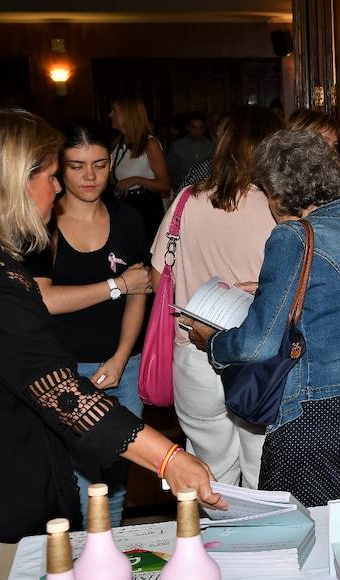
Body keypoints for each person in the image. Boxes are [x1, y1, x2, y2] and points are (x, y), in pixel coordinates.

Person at [0, 108, 224, 580]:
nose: (60, 188)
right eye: (50, 176)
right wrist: (171, 459)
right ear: (15, 183)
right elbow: (66, 397)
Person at [186, 129, 340, 506]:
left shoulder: (293, 236)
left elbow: (259, 342)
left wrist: (212, 342)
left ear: (277, 192)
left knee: (301, 526)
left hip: (317, 410)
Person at [25, 119, 152, 526]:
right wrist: (116, 284)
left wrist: (119, 357)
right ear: (58, 169)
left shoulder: (129, 218)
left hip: (123, 367)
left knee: (115, 479)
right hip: (60, 370)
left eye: (99, 164)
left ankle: (107, 561)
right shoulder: (42, 223)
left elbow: (140, 293)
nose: (90, 176)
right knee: (76, 482)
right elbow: (43, 300)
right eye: (77, 165)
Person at [151, 105, 284, 489]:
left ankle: (210, 548)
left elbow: (160, 274)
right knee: (264, 472)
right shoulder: (279, 210)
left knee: (207, 477)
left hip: (194, 354)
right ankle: (265, 547)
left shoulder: (187, 200)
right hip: (258, 356)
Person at [109, 97, 170, 250]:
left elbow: (164, 185)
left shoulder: (150, 144)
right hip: (123, 205)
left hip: (145, 207)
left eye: (114, 111)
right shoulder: (117, 144)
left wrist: (136, 180)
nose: (110, 115)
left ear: (127, 114)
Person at [167, 111, 215, 191]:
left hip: (204, 190)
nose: (197, 131)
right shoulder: (177, 145)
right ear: (188, 127)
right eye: (194, 127)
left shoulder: (211, 146)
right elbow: (170, 170)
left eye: (200, 128)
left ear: (204, 128)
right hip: (181, 188)